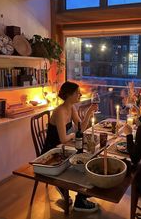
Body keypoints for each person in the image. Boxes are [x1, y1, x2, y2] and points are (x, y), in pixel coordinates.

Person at [42, 81, 99, 212]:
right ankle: (77, 195)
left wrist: (89, 112)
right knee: (84, 163)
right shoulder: (60, 111)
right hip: (53, 151)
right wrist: (74, 135)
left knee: (89, 158)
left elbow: (81, 129)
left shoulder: (71, 107)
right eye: (76, 93)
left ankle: (81, 196)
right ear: (68, 95)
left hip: (65, 147)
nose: (80, 94)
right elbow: (63, 139)